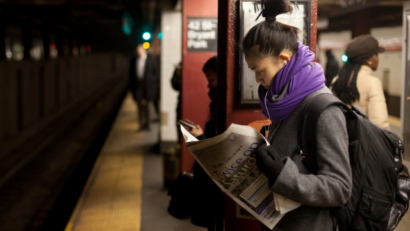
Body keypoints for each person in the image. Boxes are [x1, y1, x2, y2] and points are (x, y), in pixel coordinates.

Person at [242, 0, 352, 230]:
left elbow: (340, 187)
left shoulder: (322, 109)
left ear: (283, 60)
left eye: (259, 71)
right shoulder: (283, 100)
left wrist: (283, 175)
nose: (257, 80)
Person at [181, 56, 222, 231]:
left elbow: (221, 150)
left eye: (211, 80)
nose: (208, 86)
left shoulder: (223, 107)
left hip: (215, 186)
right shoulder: (219, 105)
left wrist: (201, 137)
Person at [331, 34, 389, 130]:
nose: (378, 59)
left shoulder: (336, 80)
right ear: (368, 59)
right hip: (361, 143)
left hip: (338, 139)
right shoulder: (373, 83)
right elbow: (380, 125)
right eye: (376, 55)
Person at [129, 44, 159, 131]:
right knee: (139, 105)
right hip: (138, 85)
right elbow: (131, 75)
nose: (138, 51)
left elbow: (156, 72)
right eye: (137, 50)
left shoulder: (150, 59)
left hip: (148, 86)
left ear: (143, 50)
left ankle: (148, 124)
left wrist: (152, 81)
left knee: (148, 105)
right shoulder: (134, 60)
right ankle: (141, 124)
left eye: (140, 49)